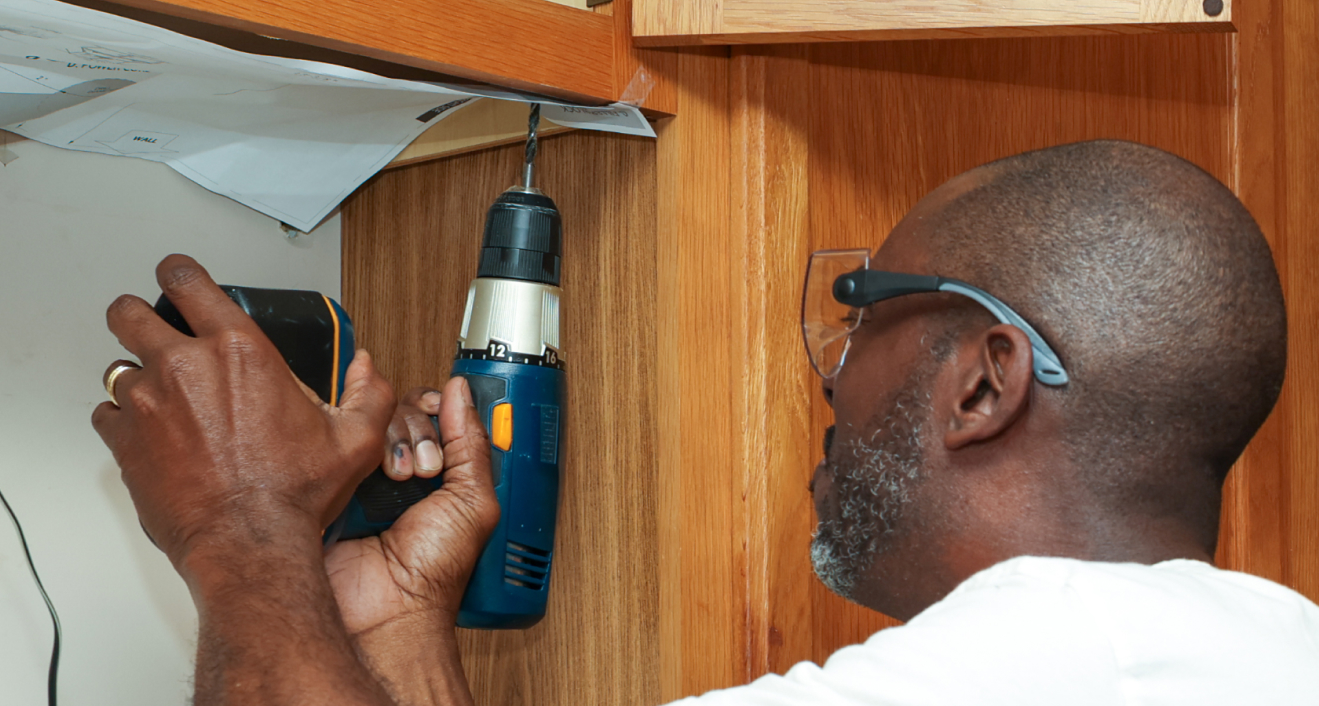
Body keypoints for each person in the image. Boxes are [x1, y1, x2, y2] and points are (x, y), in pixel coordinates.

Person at [91, 140, 1319, 706]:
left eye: (862, 320)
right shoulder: (1270, 654)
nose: (831, 382)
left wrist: (240, 528)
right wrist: (398, 625)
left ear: (983, 383)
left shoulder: (1032, 666)